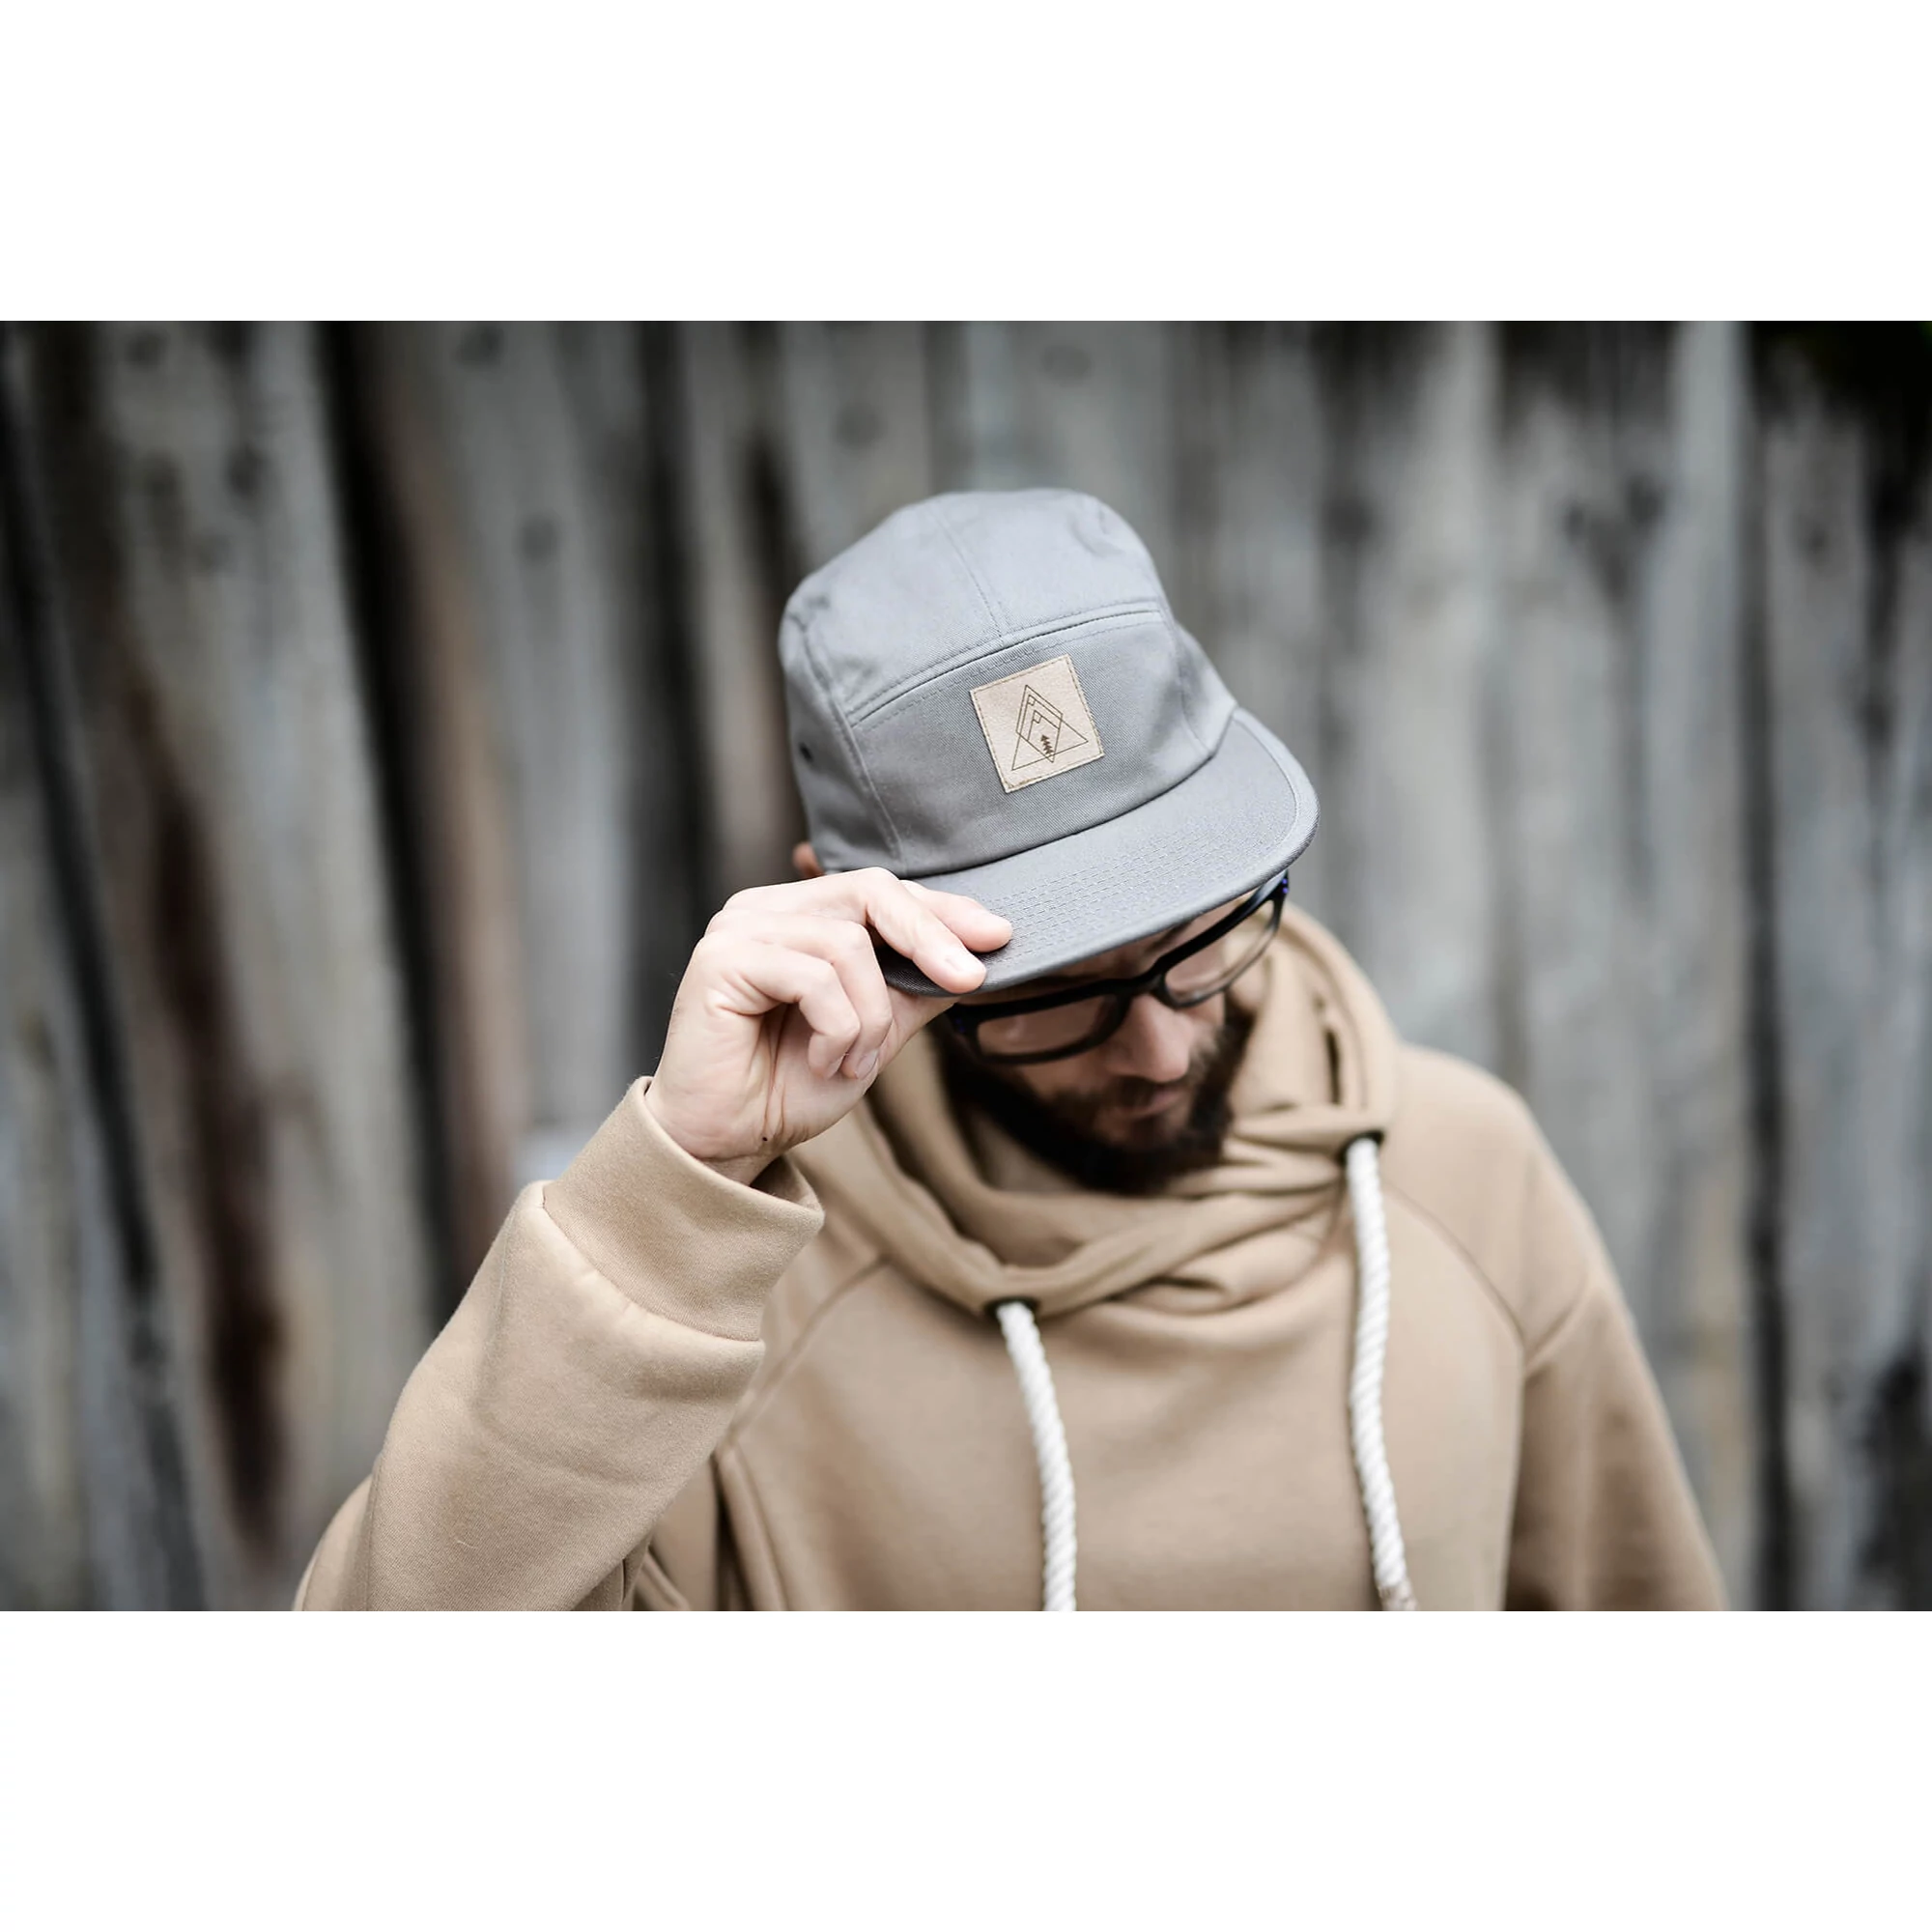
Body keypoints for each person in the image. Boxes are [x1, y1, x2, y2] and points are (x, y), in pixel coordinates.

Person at [296, 488, 1724, 1611]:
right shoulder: (726, 1310)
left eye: (1195, 933)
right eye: (1046, 986)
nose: (1157, 1047)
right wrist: (674, 1190)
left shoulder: (1467, 1178)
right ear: (857, 919)